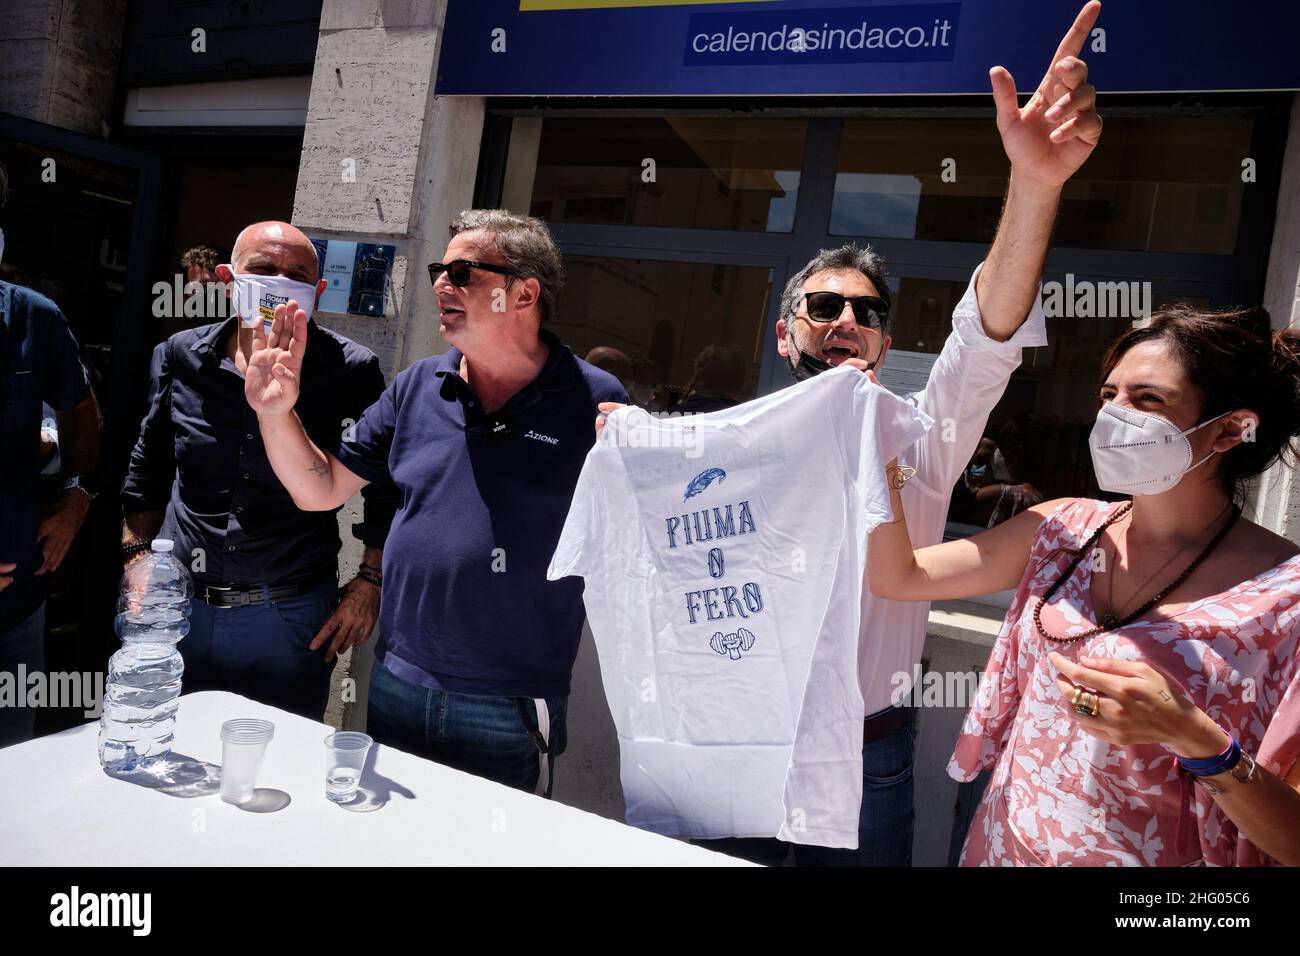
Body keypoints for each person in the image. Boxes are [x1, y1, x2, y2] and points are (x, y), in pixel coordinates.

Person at [600, 1, 1103, 866]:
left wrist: (1035, 184)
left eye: (866, 312)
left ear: (885, 340)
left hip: (871, 752)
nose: (845, 320)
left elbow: (985, 338)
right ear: (786, 326)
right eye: (823, 306)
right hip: (738, 738)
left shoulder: (921, 435)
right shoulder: (718, 445)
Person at [868, 305, 1300, 866]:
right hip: (1003, 849)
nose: (1116, 416)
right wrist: (880, 453)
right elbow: (899, 576)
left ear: (1228, 430)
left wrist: (1197, 739)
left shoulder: (1283, 598)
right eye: (1108, 395)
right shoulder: (1062, 529)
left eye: (1148, 400)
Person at [247, 210, 627, 797]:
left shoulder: (595, 402)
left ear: (523, 293)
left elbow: (633, 537)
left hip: (511, 700)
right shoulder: (417, 385)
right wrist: (276, 414)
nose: (440, 284)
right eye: (437, 269)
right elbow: (319, 489)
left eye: (461, 271)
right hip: (399, 679)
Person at [120, 221, 397, 721]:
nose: (279, 282)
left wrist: (369, 582)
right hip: (178, 609)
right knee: (165, 749)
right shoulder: (182, 355)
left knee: (277, 767)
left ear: (318, 291)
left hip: (287, 616)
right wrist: (136, 558)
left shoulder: (351, 368)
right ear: (229, 279)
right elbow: (149, 465)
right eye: (264, 270)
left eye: (296, 275)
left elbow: (386, 486)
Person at [0, 163, 103, 747]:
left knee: (12, 778)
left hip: (16, 612)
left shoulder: (33, 318)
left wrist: (77, 498)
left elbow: (81, 415)